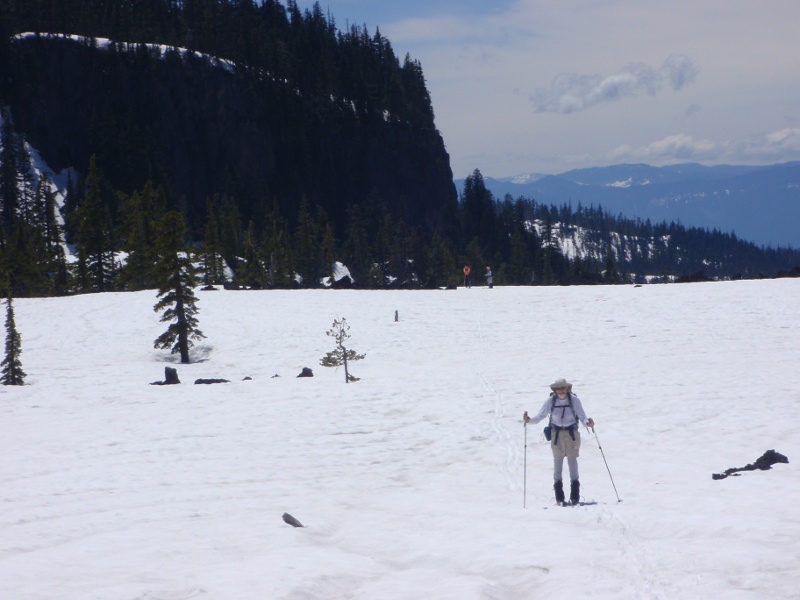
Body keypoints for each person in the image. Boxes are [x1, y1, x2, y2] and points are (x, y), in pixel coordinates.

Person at [524, 378, 595, 505]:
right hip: (556, 435)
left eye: (562, 388)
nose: (560, 390)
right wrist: (529, 420)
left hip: (571, 435)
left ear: (567, 388)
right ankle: (560, 498)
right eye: (558, 388)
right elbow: (540, 416)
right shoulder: (550, 401)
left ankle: (575, 497)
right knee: (557, 465)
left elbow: (582, 417)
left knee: (573, 464)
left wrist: (588, 423)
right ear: (555, 390)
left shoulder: (574, 400)